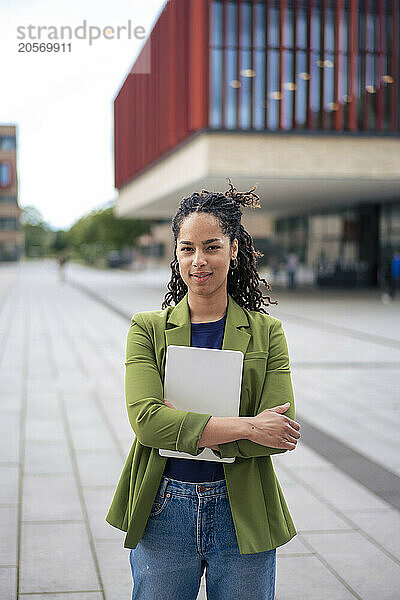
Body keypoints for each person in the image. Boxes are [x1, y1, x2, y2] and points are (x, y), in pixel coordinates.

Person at [105, 179, 301, 600]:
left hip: (242, 504)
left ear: (233, 249)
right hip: (164, 505)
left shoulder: (268, 333)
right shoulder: (147, 329)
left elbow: (278, 433)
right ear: (175, 255)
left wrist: (183, 424)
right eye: (187, 248)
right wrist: (248, 426)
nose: (199, 260)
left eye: (211, 246)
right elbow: (147, 424)